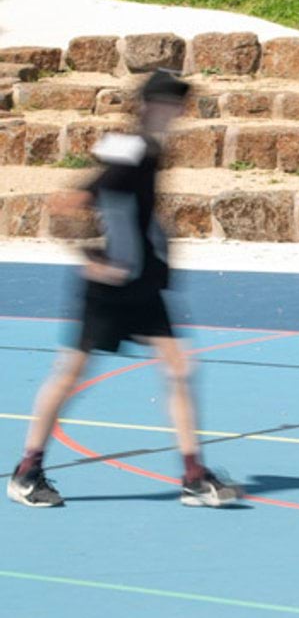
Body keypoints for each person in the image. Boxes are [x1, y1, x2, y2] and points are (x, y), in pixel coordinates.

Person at [7, 69, 242, 510]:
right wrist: (91, 256)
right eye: (171, 103)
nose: (177, 111)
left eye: (179, 104)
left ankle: (194, 475)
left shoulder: (148, 149)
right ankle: (26, 472)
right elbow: (74, 201)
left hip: (142, 286)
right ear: (150, 105)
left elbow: (122, 207)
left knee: (179, 369)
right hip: (110, 289)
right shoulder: (133, 150)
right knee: (69, 375)